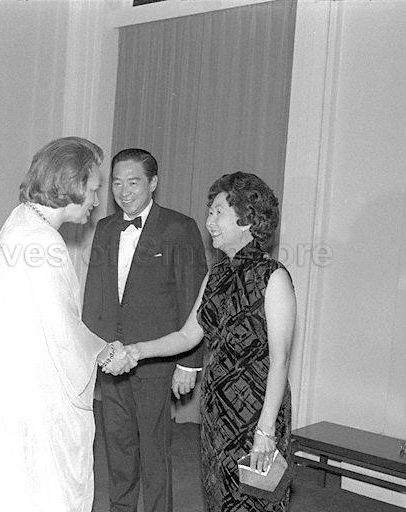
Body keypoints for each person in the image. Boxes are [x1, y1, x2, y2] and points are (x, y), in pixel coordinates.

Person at [0, 137, 135, 512]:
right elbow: (62, 330)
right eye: (93, 189)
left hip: (8, 385)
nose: (96, 200)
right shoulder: (45, 242)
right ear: (71, 183)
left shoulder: (18, 221)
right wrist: (106, 351)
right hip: (32, 394)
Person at [123, 172, 296, 512]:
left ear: (246, 219)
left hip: (256, 413)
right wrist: (138, 350)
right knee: (219, 500)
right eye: (210, 212)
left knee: (257, 503)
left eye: (218, 212)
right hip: (217, 409)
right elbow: (188, 335)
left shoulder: (273, 277)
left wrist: (265, 430)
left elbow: (280, 361)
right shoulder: (215, 275)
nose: (209, 221)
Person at [82, 148, 207, 512]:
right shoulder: (105, 228)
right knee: (117, 446)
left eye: (133, 181)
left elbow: (192, 301)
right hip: (110, 357)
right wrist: (90, 350)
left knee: (154, 451)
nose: (124, 191)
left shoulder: (179, 228)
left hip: (157, 359)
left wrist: (189, 363)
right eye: (117, 183)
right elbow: (96, 295)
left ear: (153, 183)